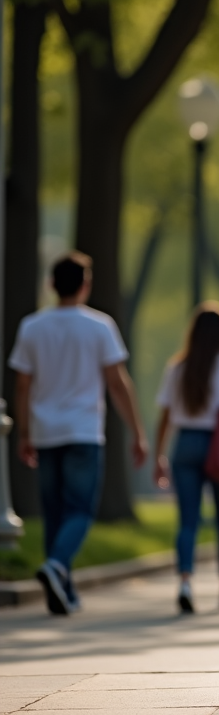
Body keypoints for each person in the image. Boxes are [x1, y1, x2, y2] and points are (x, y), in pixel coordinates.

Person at [9, 252, 148, 615]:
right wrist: (137, 432)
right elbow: (118, 384)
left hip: (44, 430)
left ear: (51, 284)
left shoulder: (32, 327)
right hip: (84, 431)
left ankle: (63, 589)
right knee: (81, 510)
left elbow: (22, 386)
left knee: (55, 510)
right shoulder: (100, 326)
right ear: (86, 285)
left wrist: (24, 432)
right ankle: (56, 567)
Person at [153, 302, 219, 613]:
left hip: (186, 443)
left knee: (187, 521)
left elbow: (165, 415)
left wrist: (159, 454)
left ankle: (185, 581)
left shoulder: (178, 367)